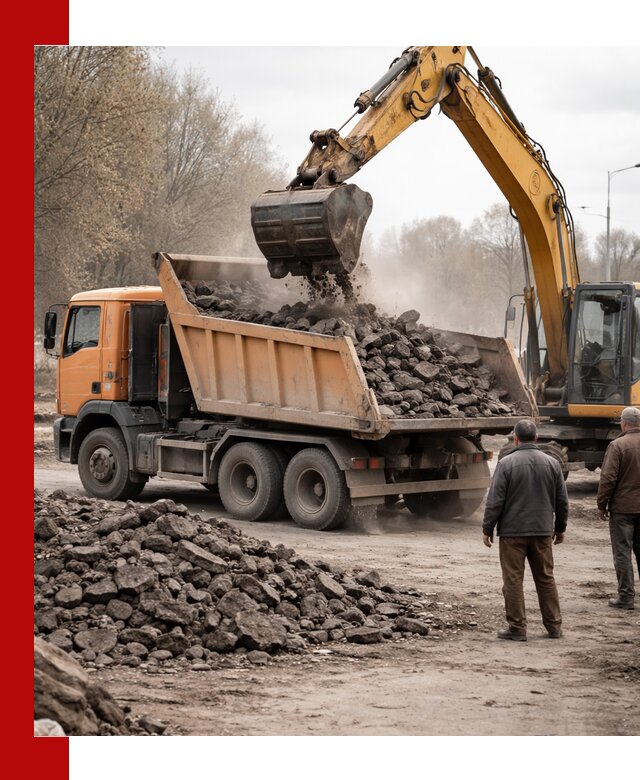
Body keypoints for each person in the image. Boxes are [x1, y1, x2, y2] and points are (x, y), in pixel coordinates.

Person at [482, 419, 568, 641]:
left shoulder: (506, 463)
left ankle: (517, 628)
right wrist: (559, 529)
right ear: (536, 438)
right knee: (546, 578)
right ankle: (554, 627)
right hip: (541, 531)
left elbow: (495, 500)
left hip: (513, 532)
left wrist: (487, 527)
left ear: (516, 439)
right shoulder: (552, 463)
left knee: (513, 580)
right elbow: (562, 501)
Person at [596, 406, 640, 611]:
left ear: (623, 423)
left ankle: (626, 597)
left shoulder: (617, 445)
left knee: (622, 552)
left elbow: (608, 479)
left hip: (623, 509)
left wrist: (601, 504)